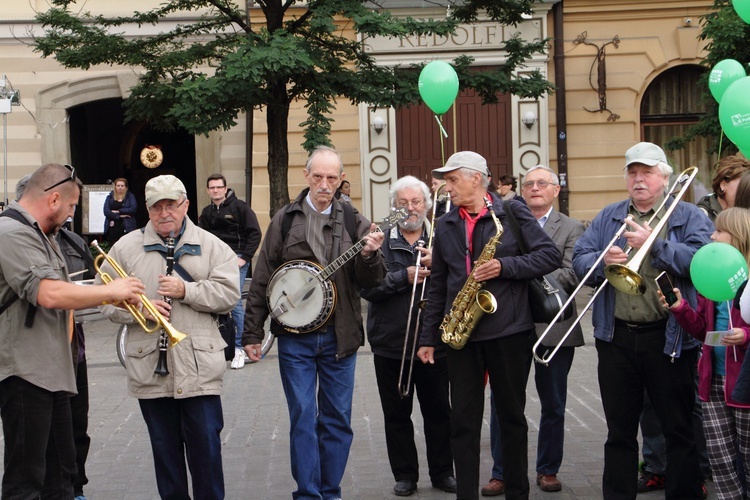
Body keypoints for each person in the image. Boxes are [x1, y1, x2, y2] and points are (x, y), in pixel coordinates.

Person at [572, 141, 714, 499]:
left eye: (647, 172)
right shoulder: (609, 216)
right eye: (633, 172)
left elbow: (700, 263)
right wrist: (603, 262)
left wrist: (655, 244)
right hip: (616, 337)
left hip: (669, 338)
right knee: (619, 432)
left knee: (678, 429)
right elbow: (579, 259)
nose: (639, 179)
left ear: (664, 178)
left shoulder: (690, 216)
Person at [416, 151, 561, 500]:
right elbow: (438, 286)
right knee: (462, 423)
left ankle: (517, 493)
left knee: (511, 418)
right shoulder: (446, 223)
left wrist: (504, 267)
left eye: (452, 180)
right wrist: (428, 338)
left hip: (509, 331)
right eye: (446, 180)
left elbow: (549, 255)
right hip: (462, 336)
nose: (446, 187)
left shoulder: (511, 211)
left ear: (477, 178)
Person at [243, 145, 386, 499]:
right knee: (304, 418)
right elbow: (262, 277)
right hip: (295, 339)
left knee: (337, 421)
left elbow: (373, 283)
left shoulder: (355, 220)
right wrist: (251, 332)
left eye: (332, 178)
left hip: (341, 338)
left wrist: (369, 255)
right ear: (306, 176)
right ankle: (308, 493)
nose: (325, 184)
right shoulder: (285, 219)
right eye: (318, 176)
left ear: (340, 180)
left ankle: (330, 490)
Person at [0, 163, 144, 498]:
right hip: (25, 371)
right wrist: (110, 291)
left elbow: (65, 294)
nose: (70, 215)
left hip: (52, 369)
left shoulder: (41, 234)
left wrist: (110, 299)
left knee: (62, 474)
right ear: (53, 200)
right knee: (26, 479)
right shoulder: (11, 233)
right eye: (71, 206)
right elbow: (48, 293)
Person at [99, 174, 240, 499]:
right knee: (166, 460)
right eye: (157, 206)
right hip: (150, 369)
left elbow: (229, 294)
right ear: (147, 209)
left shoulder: (212, 245)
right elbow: (103, 298)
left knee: (207, 457)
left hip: (199, 369)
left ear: (186, 204)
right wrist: (140, 312)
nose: (165, 212)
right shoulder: (125, 248)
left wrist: (186, 289)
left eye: (171, 205)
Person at [481, 165, 585, 496]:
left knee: (553, 401)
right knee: (504, 402)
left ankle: (547, 469)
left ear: (556, 190)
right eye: (528, 184)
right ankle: (502, 472)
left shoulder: (571, 227)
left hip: (554, 325)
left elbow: (571, 271)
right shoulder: (504, 221)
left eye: (542, 183)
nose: (534, 188)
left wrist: (529, 275)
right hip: (509, 326)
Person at [360, 175, 456, 497]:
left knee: (439, 414)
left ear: (427, 204)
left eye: (416, 202)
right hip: (391, 343)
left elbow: (460, 281)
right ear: (394, 207)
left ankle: (443, 472)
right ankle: (405, 475)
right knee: (397, 416)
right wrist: (406, 276)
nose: (410, 208)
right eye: (403, 203)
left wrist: (440, 264)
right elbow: (369, 290)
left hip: (434, 342)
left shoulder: (442, 237)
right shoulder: (379, 241)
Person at [662, 207, 750, 500]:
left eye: (719, 231)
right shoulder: (711, 277)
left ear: (737, 237)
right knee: (721, 460)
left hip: (744, 384)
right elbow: (702, 331)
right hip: (713, 382)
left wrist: (746, 335)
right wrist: (679, 309)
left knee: (748, 459)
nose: (712, 236)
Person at [199, 173, 261, 369]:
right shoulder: (207, 212)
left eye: (219, 187)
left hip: (236, 259)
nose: (216, 190)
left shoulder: (240, 207)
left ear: (225, 189)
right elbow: (202, 237)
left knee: (233, 303)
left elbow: (255, 233)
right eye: (212, 187)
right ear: (208, 190)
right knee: (211, 301)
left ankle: (240, 348)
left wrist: (244, 258)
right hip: (215, 261)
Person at [696, 156, 750, 221]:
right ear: (723, 185)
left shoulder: (744, 215)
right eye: (741, 185)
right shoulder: (701, 216)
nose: (745, 190)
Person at [103, 177, 137, 244]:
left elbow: (133, 209)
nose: (120, 187)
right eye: (118, 186)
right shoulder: (109, 197)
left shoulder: (130, 197)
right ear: (115, 187)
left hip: (127, 227)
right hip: (113, 228)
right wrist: (120, 216)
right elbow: (106, 211)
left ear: (126, 187)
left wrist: (118, 211)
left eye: (122, 186)